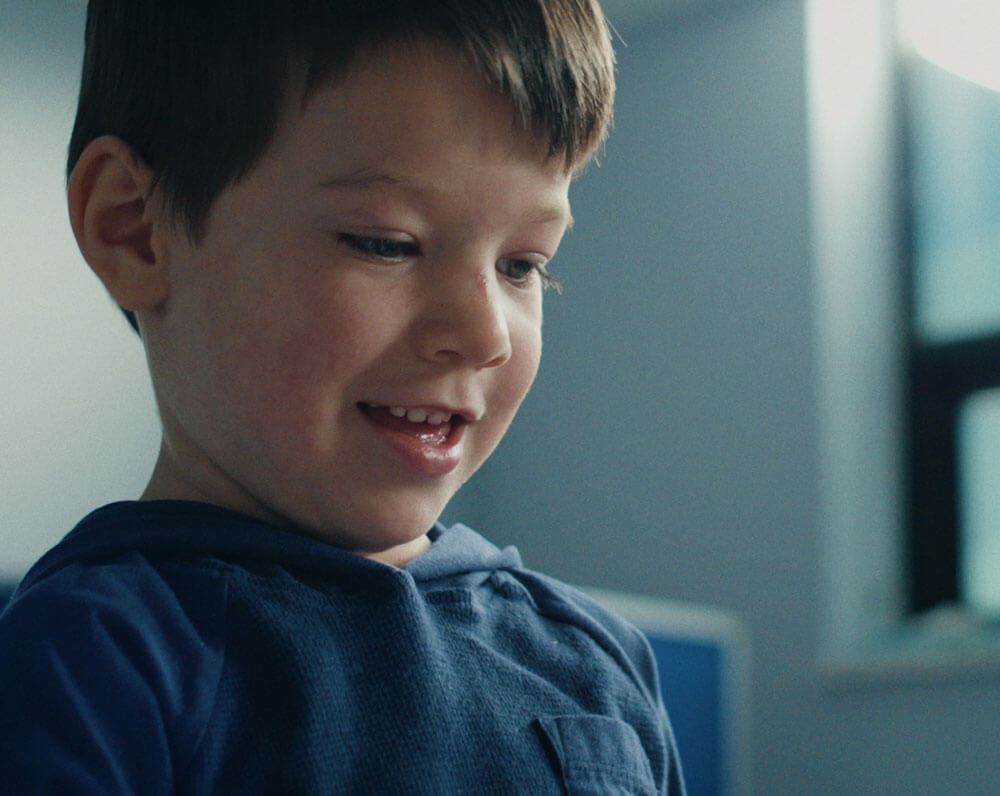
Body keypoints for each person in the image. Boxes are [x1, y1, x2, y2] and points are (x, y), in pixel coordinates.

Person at [0, 1, 686, 792]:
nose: (483, 331)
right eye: (385, 243)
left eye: (523, 265)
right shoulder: (91, 658)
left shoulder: (598, 662)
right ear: (133, 229)